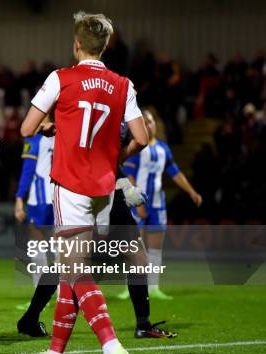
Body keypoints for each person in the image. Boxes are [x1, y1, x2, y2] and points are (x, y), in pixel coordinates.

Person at [20, 11, 149, 354]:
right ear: (105, 46)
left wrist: (51, 126)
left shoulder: (60, 78)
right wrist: (113, 158)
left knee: (74, 272)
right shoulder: (123, 84)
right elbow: (141, 137)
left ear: (76, 44)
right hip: (105, 191)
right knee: (69, 272)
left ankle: (110, 344)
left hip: (72, 187)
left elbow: (28, 127)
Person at [16, 120, 177, 340]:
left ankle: (142, 324)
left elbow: (113, 155)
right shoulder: (104, 103)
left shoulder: (113, 105)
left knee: (135, 259)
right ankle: (34, 321)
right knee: (72, 263)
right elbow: (129, 145)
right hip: (90, 189)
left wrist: (123, 184)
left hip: (105, 187)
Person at [122, 109, 202, 299]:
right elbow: (129, 175)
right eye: (146, 122)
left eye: (151, 122)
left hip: (157, 204)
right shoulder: (136, 147)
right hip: (138, 203)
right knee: (135, 247)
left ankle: (154, 287)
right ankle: (129, 287)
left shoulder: (163, 149)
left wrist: (192, 192)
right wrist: (137, 202)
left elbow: (175, 173)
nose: (150, 125)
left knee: (156, 248)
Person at [14, 132, 54, 336]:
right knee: (60, 252)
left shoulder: (34, 140)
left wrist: (19, 198)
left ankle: (39, 301)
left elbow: (28, 171)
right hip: (60, 197)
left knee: (38, 248)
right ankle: (62, 296)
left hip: (39, 199)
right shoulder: (64, 134)